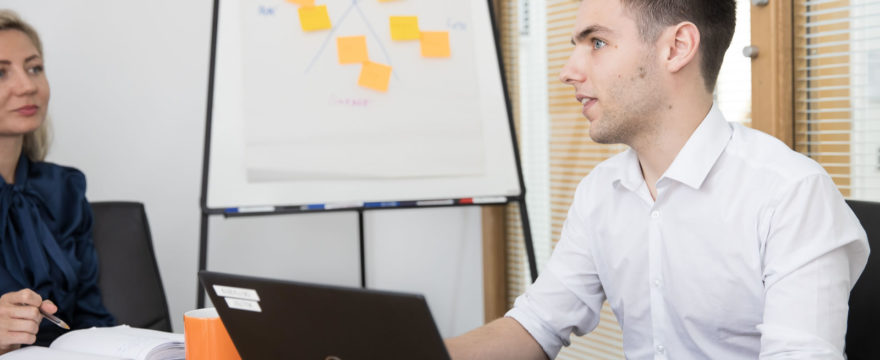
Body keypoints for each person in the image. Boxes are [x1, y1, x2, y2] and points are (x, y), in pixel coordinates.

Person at [445, 0, 869, 358]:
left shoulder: (791, 194)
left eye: (597, 43)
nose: (568, 71)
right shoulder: (600, 192)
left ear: (676, 48)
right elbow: (536, 325)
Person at [0, 9, 115, 354]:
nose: (28, 85)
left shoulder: (64, 189)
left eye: (34, 68)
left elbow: (93, 319)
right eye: (1, 73)